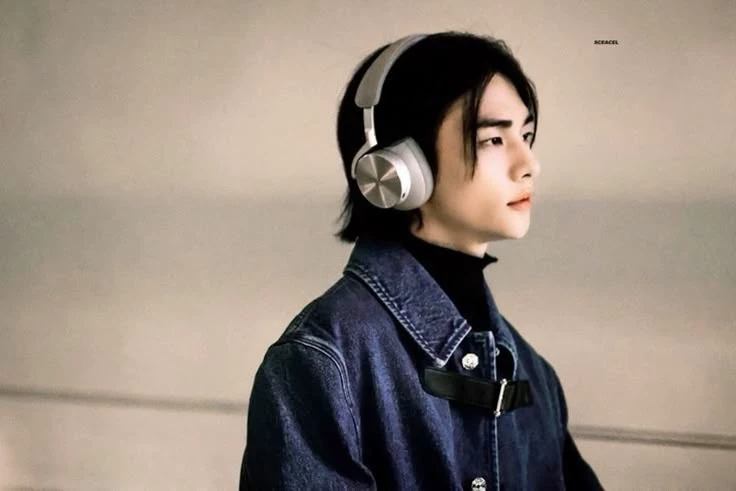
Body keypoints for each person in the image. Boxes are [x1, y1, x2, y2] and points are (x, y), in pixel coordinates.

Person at [240, 31, 602, 490]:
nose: (528, 163)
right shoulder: (321, 362)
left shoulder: (534, 376)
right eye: (493, 139)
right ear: (397, 168)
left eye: (526, 135)